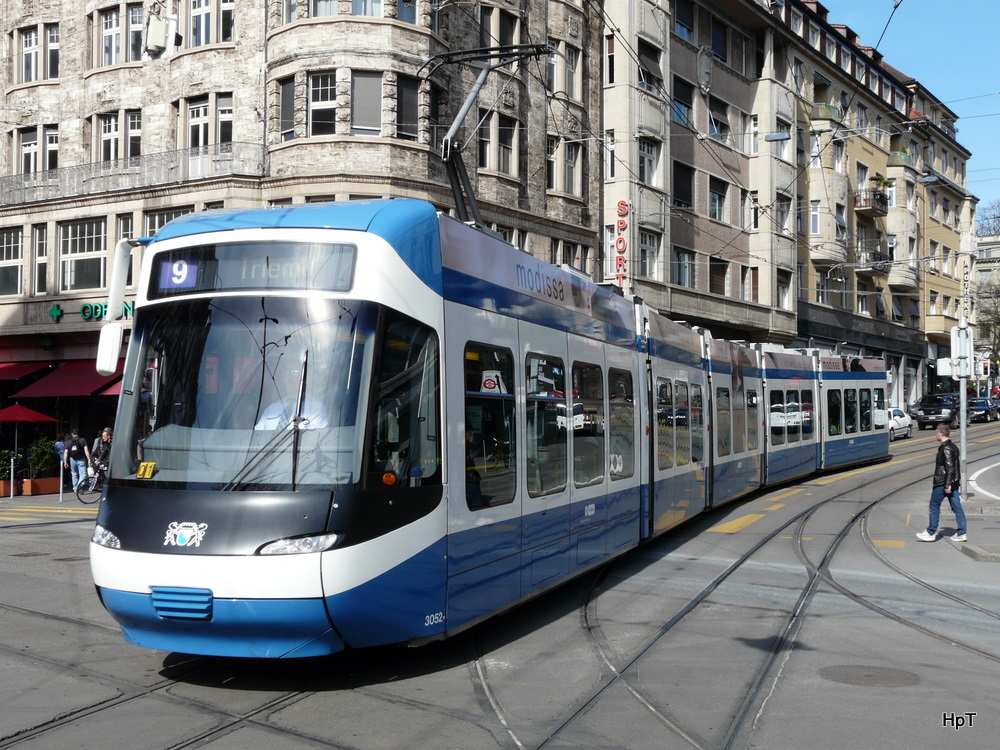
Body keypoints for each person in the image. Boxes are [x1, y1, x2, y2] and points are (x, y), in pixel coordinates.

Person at [916, 423, 967, 543]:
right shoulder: (952, 446)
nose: (935, 435)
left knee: (934, 505)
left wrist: (947, 485)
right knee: (956, 507)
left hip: (943, 482)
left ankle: (930, 532)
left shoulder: (946, 448)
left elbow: (950, 468)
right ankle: (962, 533)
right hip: (952, 482)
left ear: (939, 434)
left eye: (936, 433)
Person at [254, 367, 329, 430]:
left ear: (306, 378)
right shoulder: (272, 408)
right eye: (286, 373)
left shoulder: (317, 409)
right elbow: (257, 436)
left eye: (293, 373)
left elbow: (313, 440)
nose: (288, 378)